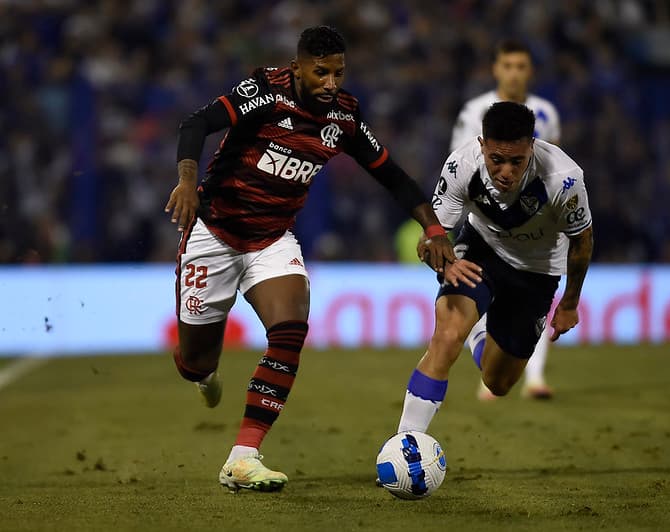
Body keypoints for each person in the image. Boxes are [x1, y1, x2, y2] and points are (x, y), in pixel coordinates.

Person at [164, 26, 462, 493]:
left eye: (339, 72)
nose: (331, 82)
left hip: (272, 240)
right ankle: (202, 375)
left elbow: (391, 175)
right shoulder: (263, 92)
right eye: (320, 72)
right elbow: (195, 124)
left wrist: (434, 227)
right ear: (297, 67)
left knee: (290, 330)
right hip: (214, 234)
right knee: (195, 361)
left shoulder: (344, 115)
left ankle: (243, 456)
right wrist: (186, 180)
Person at [396, 101, 593, 441]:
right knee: (445, 335)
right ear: (482, 145)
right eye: (496, 160)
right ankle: (405, 442)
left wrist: (570, 302)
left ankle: (480, 334)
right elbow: (432, 239)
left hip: (537, 270)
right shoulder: (462, 165)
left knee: (497, 382)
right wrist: (442, 260)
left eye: (517, 161)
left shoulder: (563, 179)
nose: (506, 172)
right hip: (481, 250)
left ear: (532, 146)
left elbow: (582, 241)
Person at [450, 39, 562, 400]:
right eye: (508, 65)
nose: (514, 73)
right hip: (487, 224)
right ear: (496, 69)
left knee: (534, 301)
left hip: (537, 227)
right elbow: (462, 164)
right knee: (480, 293)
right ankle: (490, 365)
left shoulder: (546, 113)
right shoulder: (474, 111)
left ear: (530, 71)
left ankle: (534, 377)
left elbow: (554, 166)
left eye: (521, 66)